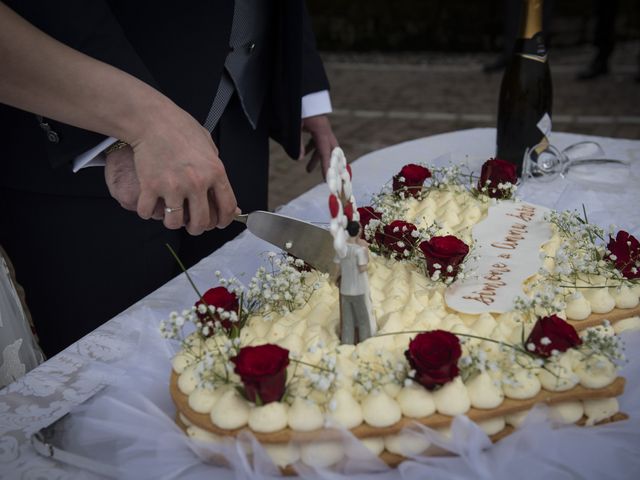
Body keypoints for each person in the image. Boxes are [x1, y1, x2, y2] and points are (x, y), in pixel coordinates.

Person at [0, 1, 338, 356]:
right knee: (117, 365)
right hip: (86, 158)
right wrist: (124, 128)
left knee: (241, 337)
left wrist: (301, 86)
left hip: (241, 113)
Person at [337, 221, 373, 345]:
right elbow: (362, 268)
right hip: (357, 289)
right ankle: (365, 343)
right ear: (358, 231)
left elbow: (337, 265)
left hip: (345, 289)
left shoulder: (342, 249)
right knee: (362, 319)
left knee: (347, 320)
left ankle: (346, 343)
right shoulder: (359, 251)